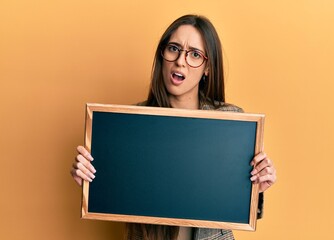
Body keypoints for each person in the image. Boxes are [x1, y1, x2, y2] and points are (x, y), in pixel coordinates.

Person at [71, 14, 277, 240]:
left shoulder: (231, 121)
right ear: (162, 55)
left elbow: (235, 205)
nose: (180, 61)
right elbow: (118, 194)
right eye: (174, 49)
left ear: (207, 67)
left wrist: (257, 185)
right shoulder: (129, 125)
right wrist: (91, 182)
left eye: (195, 55)